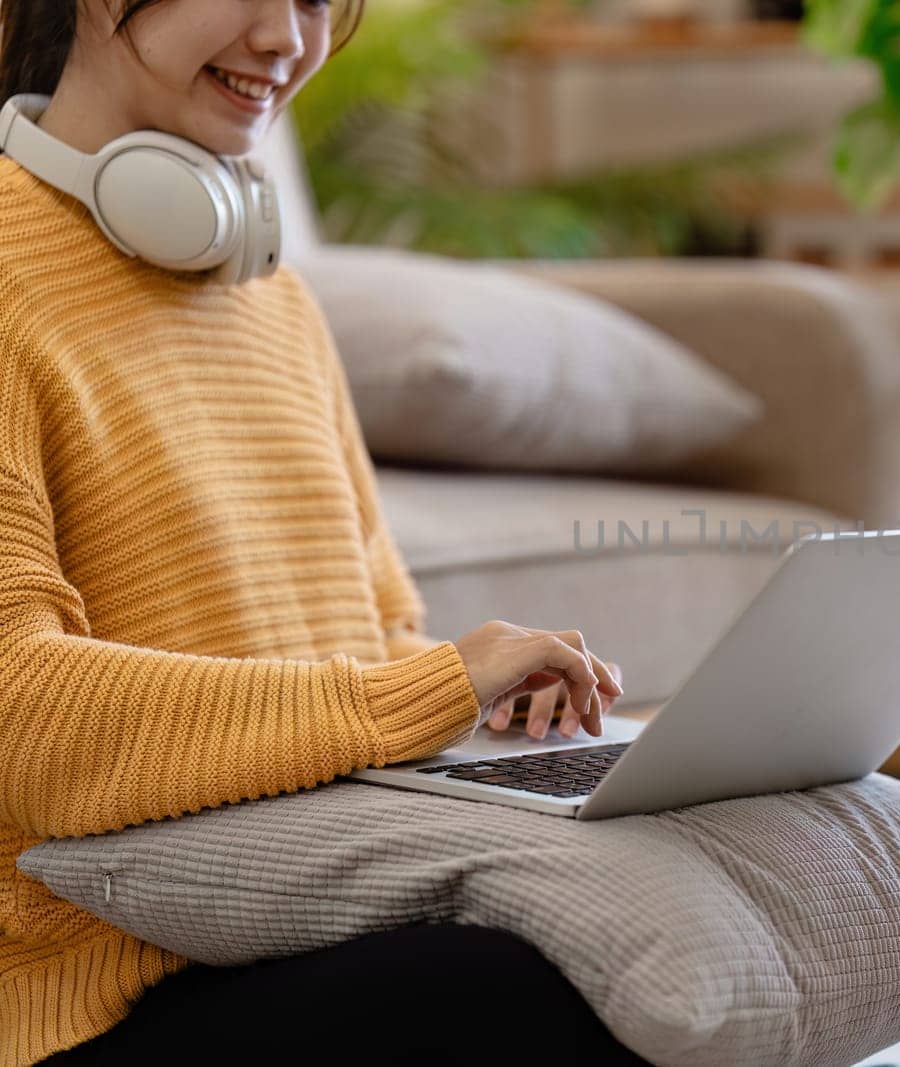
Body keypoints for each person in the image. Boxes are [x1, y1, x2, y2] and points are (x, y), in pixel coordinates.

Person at [0, 2, 643, 1062]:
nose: (286, 41)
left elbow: (381, 629)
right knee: (551, 983)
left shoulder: (277, 302)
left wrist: (488, 706)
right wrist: (422, 691)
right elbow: (22, 715)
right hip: (104, 979)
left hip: (321, 894)